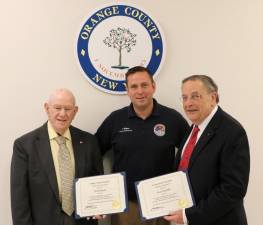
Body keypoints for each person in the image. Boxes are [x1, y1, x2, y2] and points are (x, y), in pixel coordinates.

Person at [96, 66, 189, 225]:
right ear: (127, 90)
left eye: (144, 85)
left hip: (161, 204)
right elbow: (92, 154)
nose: (140, 91)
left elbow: (191, 154)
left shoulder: (173, 119)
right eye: (134, 86)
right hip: (127, 205)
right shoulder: (115, 119)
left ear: (153, 86)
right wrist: (98, 196)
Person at [164, 75, 250, 225]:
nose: (188, 103)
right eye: (184, 98)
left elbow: (233, 189)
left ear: (213, 97)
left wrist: (189, 216)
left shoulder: (232, 132)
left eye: (195, 96)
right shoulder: (194, 128)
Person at [11, 88, 103, 225]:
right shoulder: (24, 146)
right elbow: (19, 199)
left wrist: (100, 204)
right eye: (57, 108)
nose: (62, 114)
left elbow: (98, 182)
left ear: (75, 111)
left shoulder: (89, 142)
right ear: (47, 108)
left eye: (68, 109)